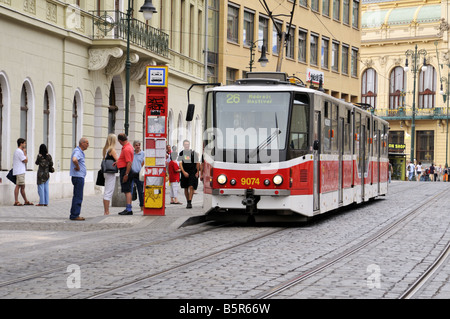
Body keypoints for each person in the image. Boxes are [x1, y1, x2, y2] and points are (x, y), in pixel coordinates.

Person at [70, 137, 89, 221]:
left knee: (77, 195)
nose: (88, 145)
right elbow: (74, 159)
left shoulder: (79, 151)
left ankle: (74, 213)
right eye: (87, 143)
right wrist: (77, 167)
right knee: (78, 196)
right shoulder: (77, 151)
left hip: (79, 177)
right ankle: (75, 215)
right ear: (82, 143)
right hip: (78, 177)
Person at [179, 139, 200, 209]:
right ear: (183, 145)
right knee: (185, 188)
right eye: (185, 144)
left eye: (188, 144)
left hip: (192, 172)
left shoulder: (193, 153)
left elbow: (197, 163)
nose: (187, 146)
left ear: (189, 145)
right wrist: (183, 172)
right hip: (184, 171)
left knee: (191, 186)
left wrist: (198, 172)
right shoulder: (181, 153)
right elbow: (180, 163)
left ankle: (189, 202)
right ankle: (187, 200)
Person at [117, 133, 134, 215]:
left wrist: (126, 174)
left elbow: (129, 162)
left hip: (125, 170)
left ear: (120, 141)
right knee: (128, 190)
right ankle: (129, 207)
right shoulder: (129, 146)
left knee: (127, 190)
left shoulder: (126, 149)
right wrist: (118, 162)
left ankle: (128, 209)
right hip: (125, 169)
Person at [13, 138, 33, 206]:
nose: (25, 144)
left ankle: (26, 200)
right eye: (24, 143)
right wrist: (25, 153)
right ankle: (16, 201)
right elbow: (25, 160)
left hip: (20, 171)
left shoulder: (18, 151)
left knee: (22, 186)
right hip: (19, 171)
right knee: (18, 186)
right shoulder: (19, 151)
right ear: (21, 143)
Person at [102, 134, 119, 215]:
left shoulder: (105, 149)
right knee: (109, 191)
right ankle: (106, 211)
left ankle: (106, 210)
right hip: (110, 172)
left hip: (106, 172)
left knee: (107, 190)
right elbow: (118, 160)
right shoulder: (112, 149)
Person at [130, 140, 145, 211]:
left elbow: (144, 163)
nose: (138, 146)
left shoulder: (143, 153)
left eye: (139, 145)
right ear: (134, 146)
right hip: (132, 173)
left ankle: (142, 206)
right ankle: (129, 206)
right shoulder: (132, 153)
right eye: (136, 145)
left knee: (140, 191)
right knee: (130, 191)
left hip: (140, 174)